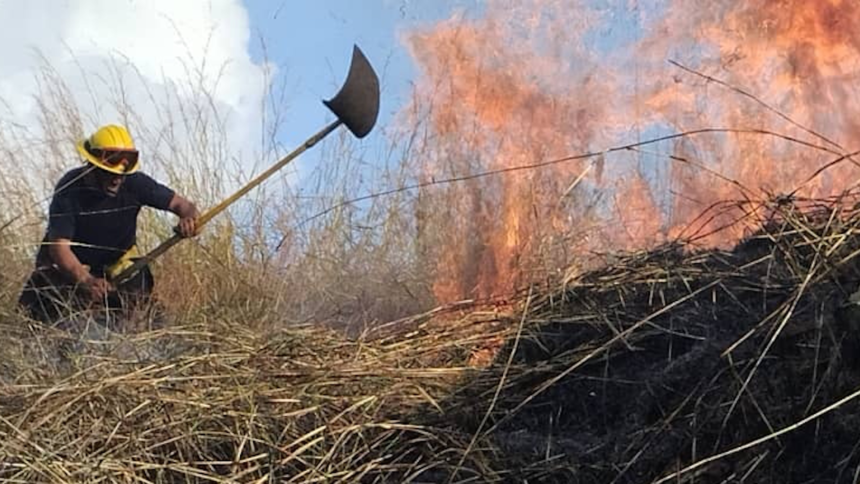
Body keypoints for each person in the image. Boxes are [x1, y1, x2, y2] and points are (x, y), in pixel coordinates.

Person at [18, 124, 200, 327]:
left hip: (118, 266)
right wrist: (86, 281)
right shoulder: (69, 189)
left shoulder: (136, 183)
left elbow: (183, 205)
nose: (117, 180)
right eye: (109, 173)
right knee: (41, 320)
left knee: (146, 321)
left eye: (121, 174)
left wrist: (189, 219)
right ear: (91, 166)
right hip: (68, 269)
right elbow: (59, 248)